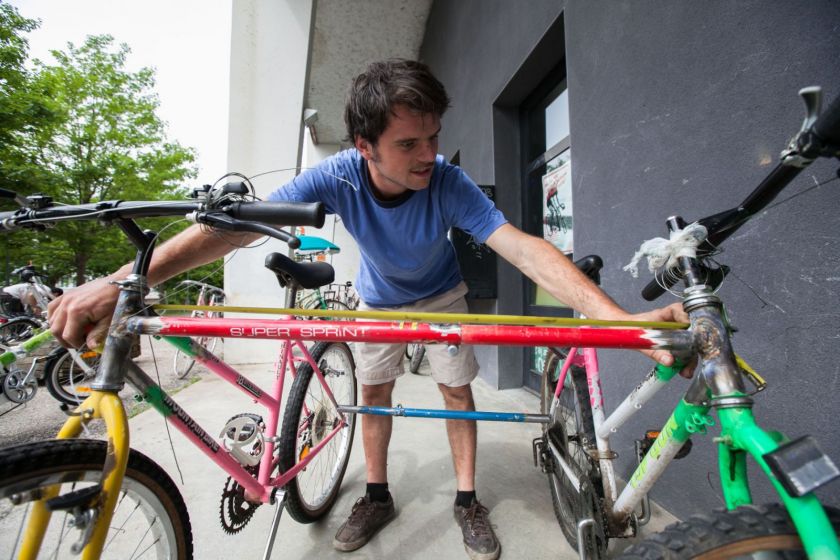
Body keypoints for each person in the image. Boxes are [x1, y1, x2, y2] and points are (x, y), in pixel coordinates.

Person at [48, 59, 688, 560]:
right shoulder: (334, 178)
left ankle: (467, 500)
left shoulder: (447, 183)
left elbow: (521, 247)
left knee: (456, 392)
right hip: (380, 297)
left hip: (443, 297)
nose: (429, 155)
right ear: (364, 145)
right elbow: (239, 226)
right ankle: (375, 495)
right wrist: (120, 279)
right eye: (409, 143)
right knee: (374, 393)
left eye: (433, 137)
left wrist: (620, 321)